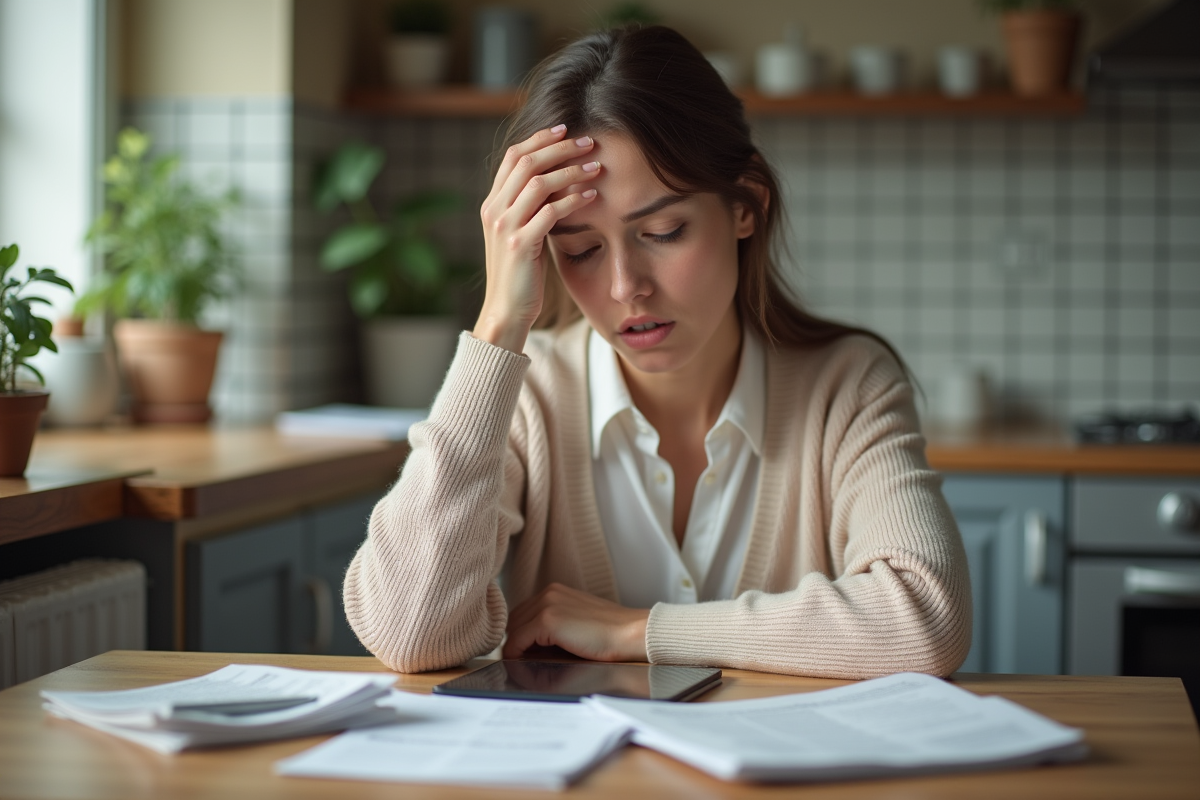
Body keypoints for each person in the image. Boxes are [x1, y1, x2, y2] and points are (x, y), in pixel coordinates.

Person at [343, 25, 972, 678]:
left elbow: (924, 620)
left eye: (664, 231)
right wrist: (499, 323)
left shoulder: (846, 387)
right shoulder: (529, 396)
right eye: (581, 249)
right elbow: (408, 631)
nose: (625, 288)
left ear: (745, 207)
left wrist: (637, 630)